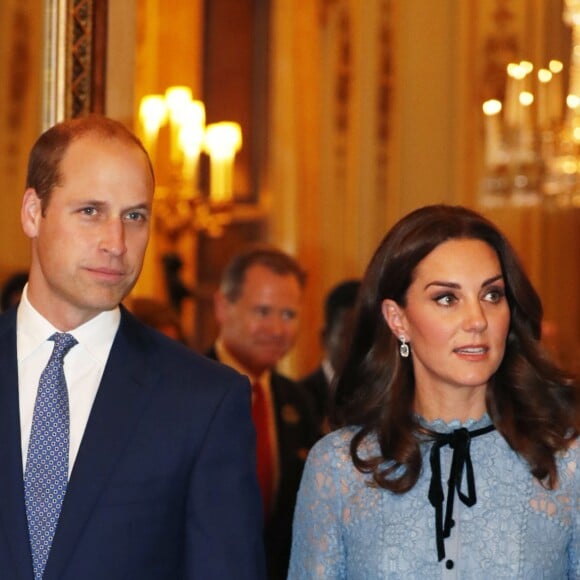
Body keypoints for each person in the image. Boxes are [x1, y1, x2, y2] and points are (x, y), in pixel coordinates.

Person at [0, 115, 265, 579]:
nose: (116, 243)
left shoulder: (202, 401)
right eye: (91, 212)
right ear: (32, 213)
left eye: (134, 217)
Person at [289, 204, 580, 578]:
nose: (477, 320)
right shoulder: (339, 468)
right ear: (398, 319)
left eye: (492, 295)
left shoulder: (567, 464)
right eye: (447, 298)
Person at [207, 245, 319, 579]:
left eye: (288, 315)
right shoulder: (180, 391)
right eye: (262, 311)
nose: (276, 329)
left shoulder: (299, 401)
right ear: (223, 307)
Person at [300, 279, 361, 436]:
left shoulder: (382, 396)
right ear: (325, 337)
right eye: (347, 335)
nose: (358, 346)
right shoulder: (300, 396)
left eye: (366, 336)